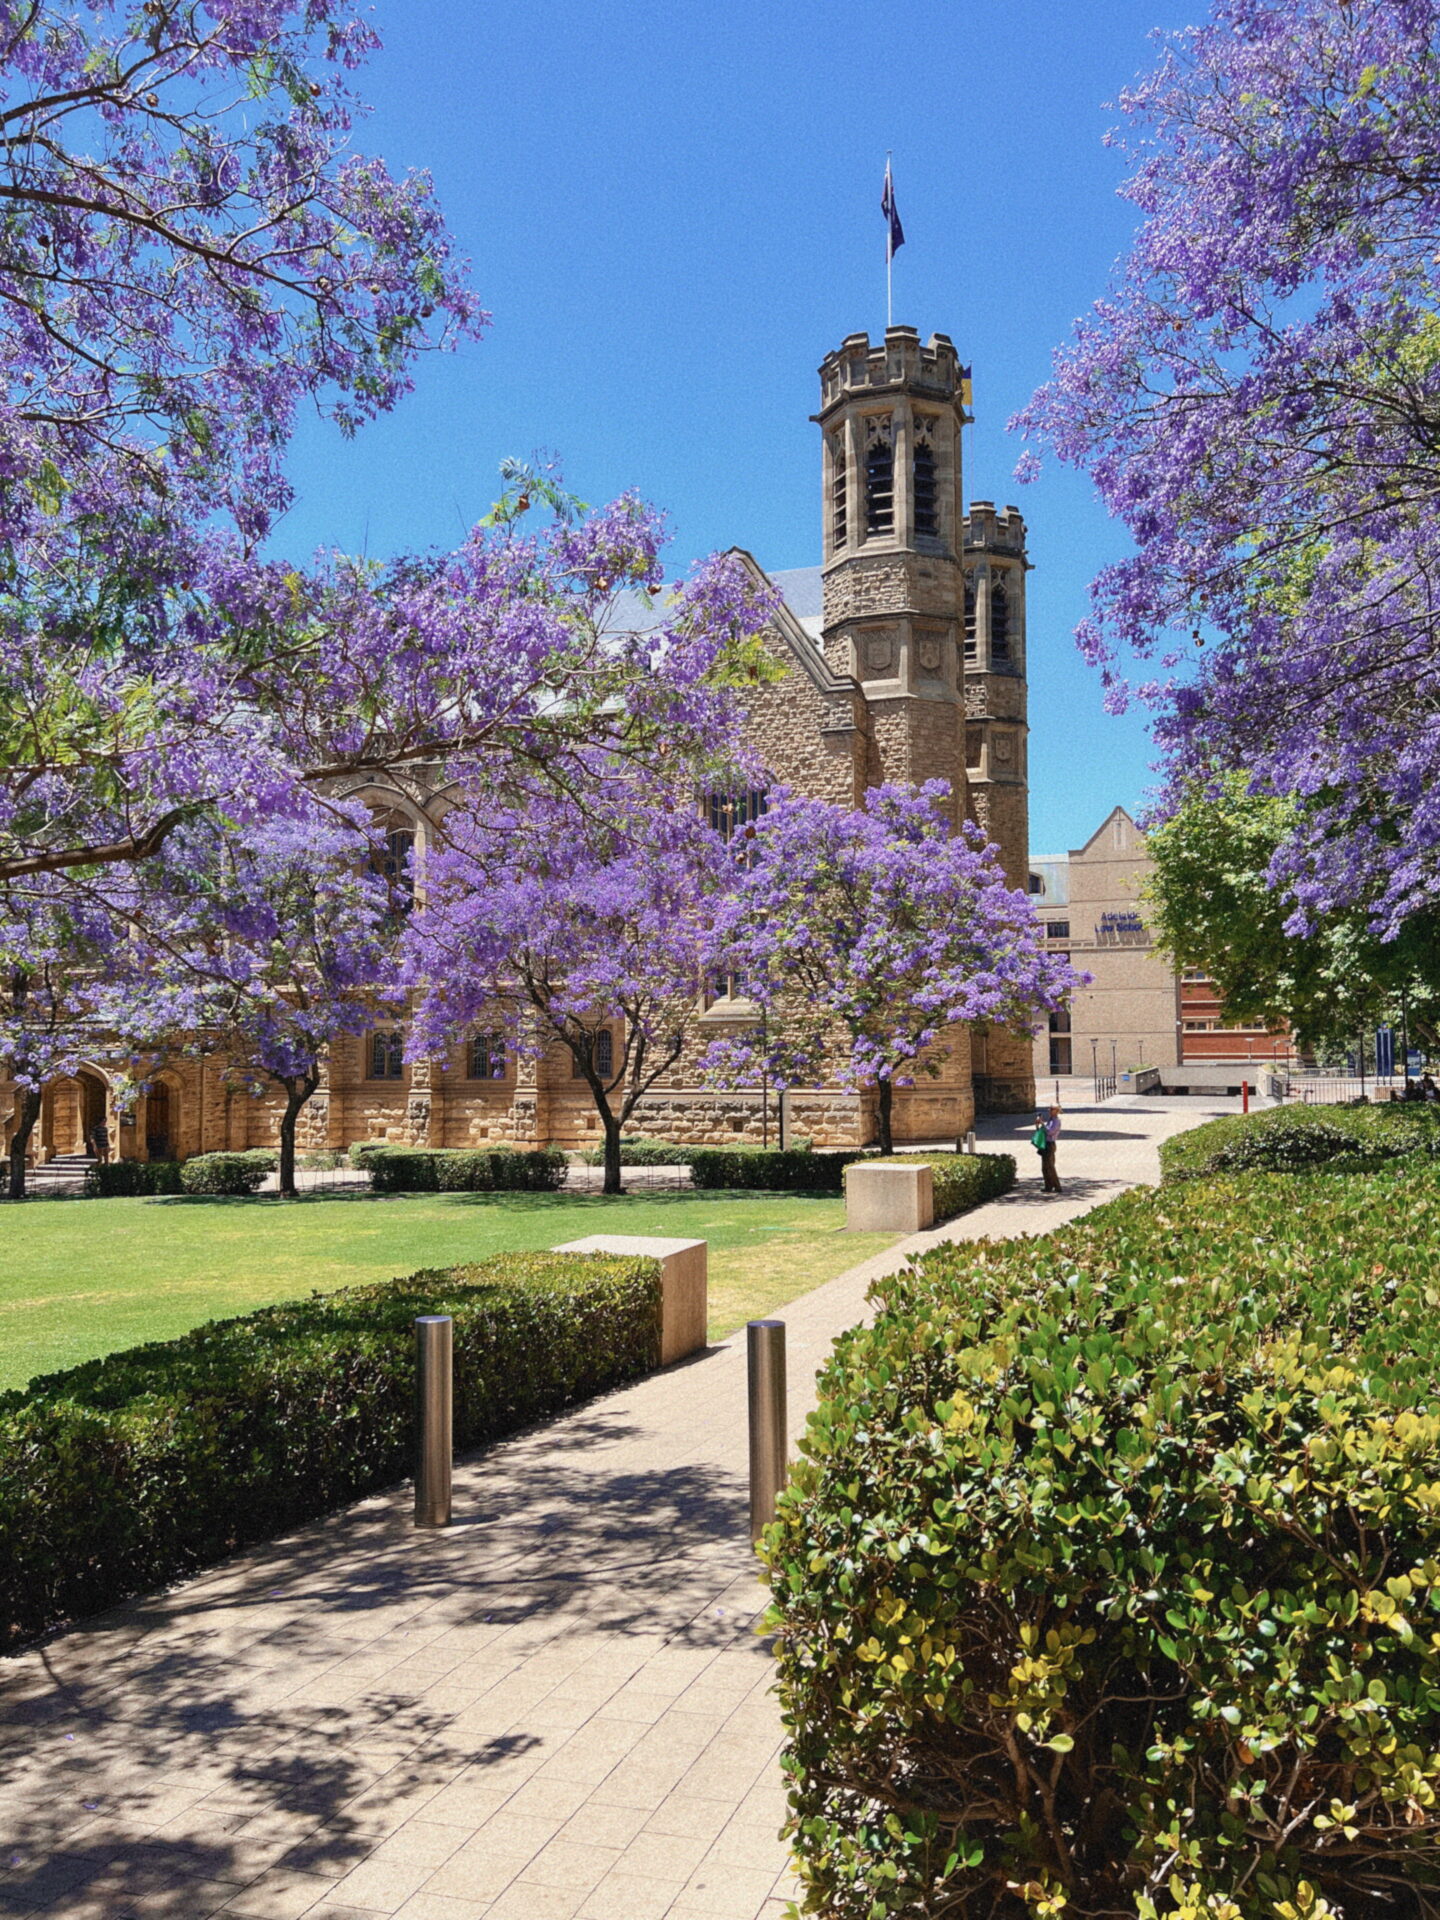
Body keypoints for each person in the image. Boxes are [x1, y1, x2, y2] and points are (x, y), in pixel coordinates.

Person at [1033, 1104, 1062, 1193]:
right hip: (1046, 1144)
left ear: (1056, 1111)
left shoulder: (1056, 1121)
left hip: (1050, 1144)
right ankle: (1048, 1186)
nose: (1049, 1110)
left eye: (1052, 1109)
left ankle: (1057, 1186)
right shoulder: (1051, 1120)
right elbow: (1043, 1131)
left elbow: (1050, 1132)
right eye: (1049, 1109)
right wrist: (1038, 1125)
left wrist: (1042, 1123)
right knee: (1045, 1167)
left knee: (1050, 1167)